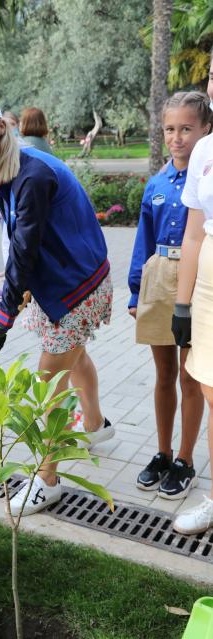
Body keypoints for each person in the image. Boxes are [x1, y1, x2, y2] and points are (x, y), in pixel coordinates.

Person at [0, 90, 113, 516]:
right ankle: (95, 427)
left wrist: (1, 321)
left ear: (1, 126)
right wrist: (10, 304)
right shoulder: (3, 169)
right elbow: (22, 247)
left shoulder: (32, 175)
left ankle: (48, 480)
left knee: (46, 385)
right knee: (74, 360)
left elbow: (24, 249)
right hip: (59, 283)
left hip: (77, 287)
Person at [128, 92, 211, 501]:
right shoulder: (157, 183)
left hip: (195, 278)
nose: (177, 138)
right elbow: (143, 239)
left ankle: (185, 458)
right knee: (163, 375)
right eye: (170, 129)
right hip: (159, 276)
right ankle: (162, 452)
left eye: (186, 129)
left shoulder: (205, 178)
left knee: (190, 376)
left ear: (205, 129)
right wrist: (133, 291)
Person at [171, 54, 213, 534]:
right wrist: (183, 305)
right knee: (208, 389)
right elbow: (195, 235)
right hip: (206, 289)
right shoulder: (203, 151)